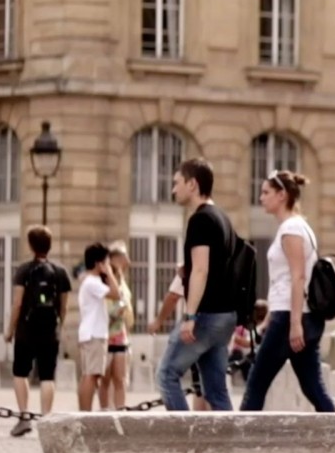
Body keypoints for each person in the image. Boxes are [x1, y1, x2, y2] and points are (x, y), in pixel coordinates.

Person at [240, 170, 335, 413]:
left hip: (292, 317)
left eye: (266, 192)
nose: (261, 197)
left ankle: (239, 446)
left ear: (282, 195)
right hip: (295, 315)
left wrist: (294, 324)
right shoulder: (298, 226)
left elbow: (298, 277)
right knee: (312, 386)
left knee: (256, 382)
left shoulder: (291, 229)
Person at [157, 158, 239, 411]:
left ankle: (185, 443)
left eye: (177, 183)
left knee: (167, 375)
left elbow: (201, 270)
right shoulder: (223, 219)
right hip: (226, 316)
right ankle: (228, 447)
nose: (173, 190)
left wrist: (190, 315)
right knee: (216, 391)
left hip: (206, 315)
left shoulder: (200, 220)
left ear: (192, 184)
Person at [5, 225, 70, 436]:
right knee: (47, 376)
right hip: (49, 331)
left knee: (20, 372)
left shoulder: (24, 270)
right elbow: (64, 306)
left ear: (31, 246)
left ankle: (24, 416)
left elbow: (17, 303)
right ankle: (46, 418)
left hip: (26, 329)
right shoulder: (60, 272)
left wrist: (10, 329)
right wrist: (59, 325)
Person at [148, 265, 209, 411]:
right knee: (208, 382)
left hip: (195, 325)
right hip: (219, 323)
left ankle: (184, 427)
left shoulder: (193, 259)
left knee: (166, 375)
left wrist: (158, 321)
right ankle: (213, 428)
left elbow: (174, 295)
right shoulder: (222, 256)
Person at [75, 243, 121, 412]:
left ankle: (83, 411)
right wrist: (109, 273)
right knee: (92, 375)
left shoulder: (88, 281)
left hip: (90, 332)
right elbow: (116, 294)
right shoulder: (92, 282)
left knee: (88, 375)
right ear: (98, 263)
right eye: (106, 262)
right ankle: (85, 412)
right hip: (95, 333)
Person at [102, 243, 134, 410]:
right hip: (106, 336)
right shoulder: (106, 278)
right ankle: (105, 413)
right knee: (105, 380)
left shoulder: (122, 279)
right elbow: (105, 305)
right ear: (114, 259)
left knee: (120, 378)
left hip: (121, 336)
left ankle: (121, 413)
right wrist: (117, 311)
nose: (127, 260)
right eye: (123, 256)